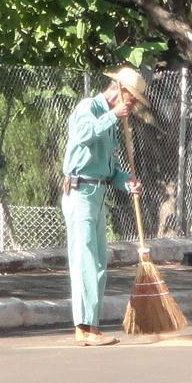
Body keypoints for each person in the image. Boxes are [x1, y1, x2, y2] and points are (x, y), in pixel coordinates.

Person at [61, 66, 145, 346]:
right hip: (80, 191)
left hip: (98, 194)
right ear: (118, 89)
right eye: (131, 98)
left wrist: (125, 182)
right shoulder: (89, 108)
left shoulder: (114, 124)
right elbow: (83, 134)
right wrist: (112, 116)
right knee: (84, 259)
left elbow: (110, 168)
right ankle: (82, 326)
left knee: (97, 264)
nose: (132, 104)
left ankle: (92, 325)